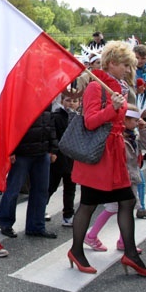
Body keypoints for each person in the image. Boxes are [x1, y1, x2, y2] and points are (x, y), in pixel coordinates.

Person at [68, 41, 146, 277]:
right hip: (98, 158)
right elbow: (90, 121)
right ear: (113, 63)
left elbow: (117, 121)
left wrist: (133, 121)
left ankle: (130, 253)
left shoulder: (119, 87)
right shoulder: (97, 87)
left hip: (114, 156)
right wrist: (113, 109)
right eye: (126, 65)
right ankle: (77, 250)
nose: (129, 70)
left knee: (127, 201)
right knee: (88, 204)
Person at [84, 104, 146, 253]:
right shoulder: (118, 136)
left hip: (131, 178)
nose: (138, 122)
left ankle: (122, 240)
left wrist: (144, 129)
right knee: (113, 208)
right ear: (125, 120)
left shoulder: (134, 136)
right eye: (135, 120)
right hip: (121, 179)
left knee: (129, 209)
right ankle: (92, 235)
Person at [0, 106, 58, 239]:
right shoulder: (22, 96)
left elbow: (50, 124)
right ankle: (5, 223)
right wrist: (11, 150)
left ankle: (36, 226)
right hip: (22, 153)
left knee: (41, 191)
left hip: (42, 152)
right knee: (13, 189)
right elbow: (12, 125)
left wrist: (53, 149)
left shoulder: (46, 98)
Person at [47, 91, 80, 227]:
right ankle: (41, 207)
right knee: (51, 186)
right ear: (61, 101)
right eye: (68, 100)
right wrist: (53, 151)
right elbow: (53, 135)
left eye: (74, 101)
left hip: (73, 158)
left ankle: (68, 215)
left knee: (70, 188)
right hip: (59, 156)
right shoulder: (56, 116)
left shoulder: (79, 118)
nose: (71, 103)